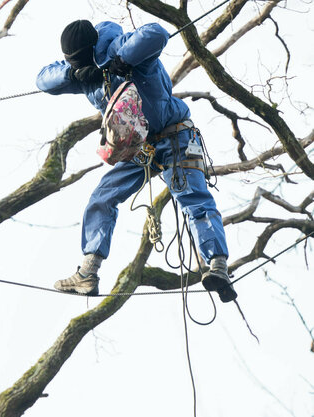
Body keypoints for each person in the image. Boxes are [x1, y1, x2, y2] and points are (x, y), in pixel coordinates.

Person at [36, 20, 237, 302]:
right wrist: (74, 72)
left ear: (93, 46)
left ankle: (217, 265)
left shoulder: (118, 44)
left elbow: (156, 33)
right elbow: (43, 79)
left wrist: (118, 60)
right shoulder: (83, 73)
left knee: (193, 197)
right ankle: (88, 272)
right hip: (139, 148)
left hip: (175, 136)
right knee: (102, 198)